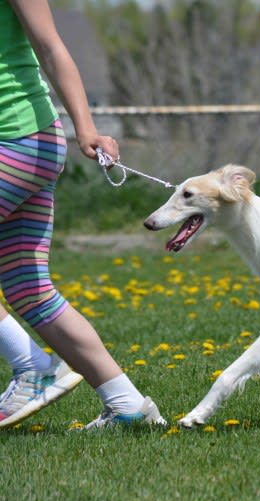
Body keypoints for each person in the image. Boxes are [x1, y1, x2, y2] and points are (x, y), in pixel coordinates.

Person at [0, 0, 165, 429]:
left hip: (13, 140)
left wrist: (86, 126)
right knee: (28, 289)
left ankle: (33, 367)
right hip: (31, 144)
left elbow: (50, 45)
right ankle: (126, 404)